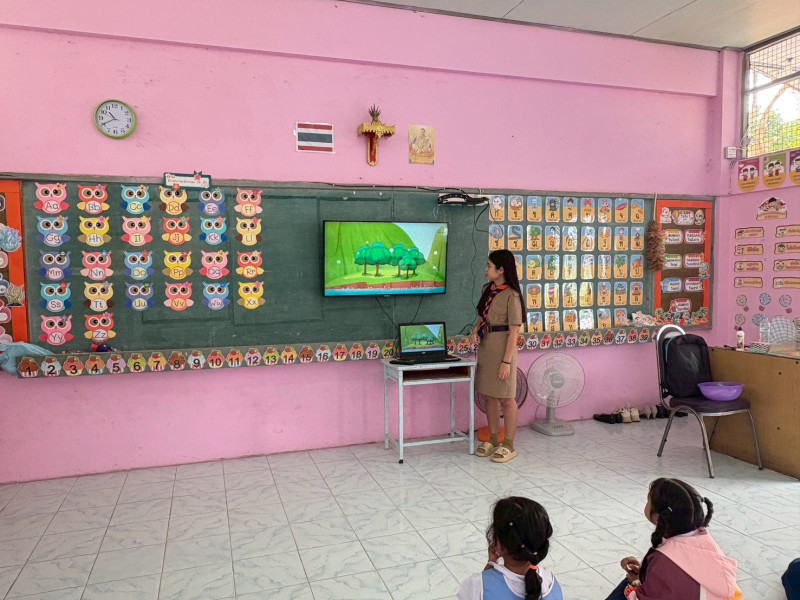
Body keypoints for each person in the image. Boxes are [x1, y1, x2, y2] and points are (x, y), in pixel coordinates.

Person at [605, 478, 741, 600]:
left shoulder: (662, 558)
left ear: (659, 516)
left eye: (648, 501)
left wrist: (636, 582)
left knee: (625, 587)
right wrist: (645, 574)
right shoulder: (705, 541)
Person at [470, 250, 525, 463]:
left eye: (489, 266)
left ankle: (508, 444)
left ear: (501, 270)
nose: (486, 269)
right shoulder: (487, 289)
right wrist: (474, 331)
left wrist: (506, 362)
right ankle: (493, 439)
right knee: (489, 395)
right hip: (486, 347)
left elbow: (514, 332)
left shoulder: (512, 295)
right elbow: (482, 317)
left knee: (506, 398)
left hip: (503, 351)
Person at [457, 496, 562, 600]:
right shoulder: (552, 583)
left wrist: (490, 566)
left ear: (499, 544)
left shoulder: (477, 585)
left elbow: (477, 592)